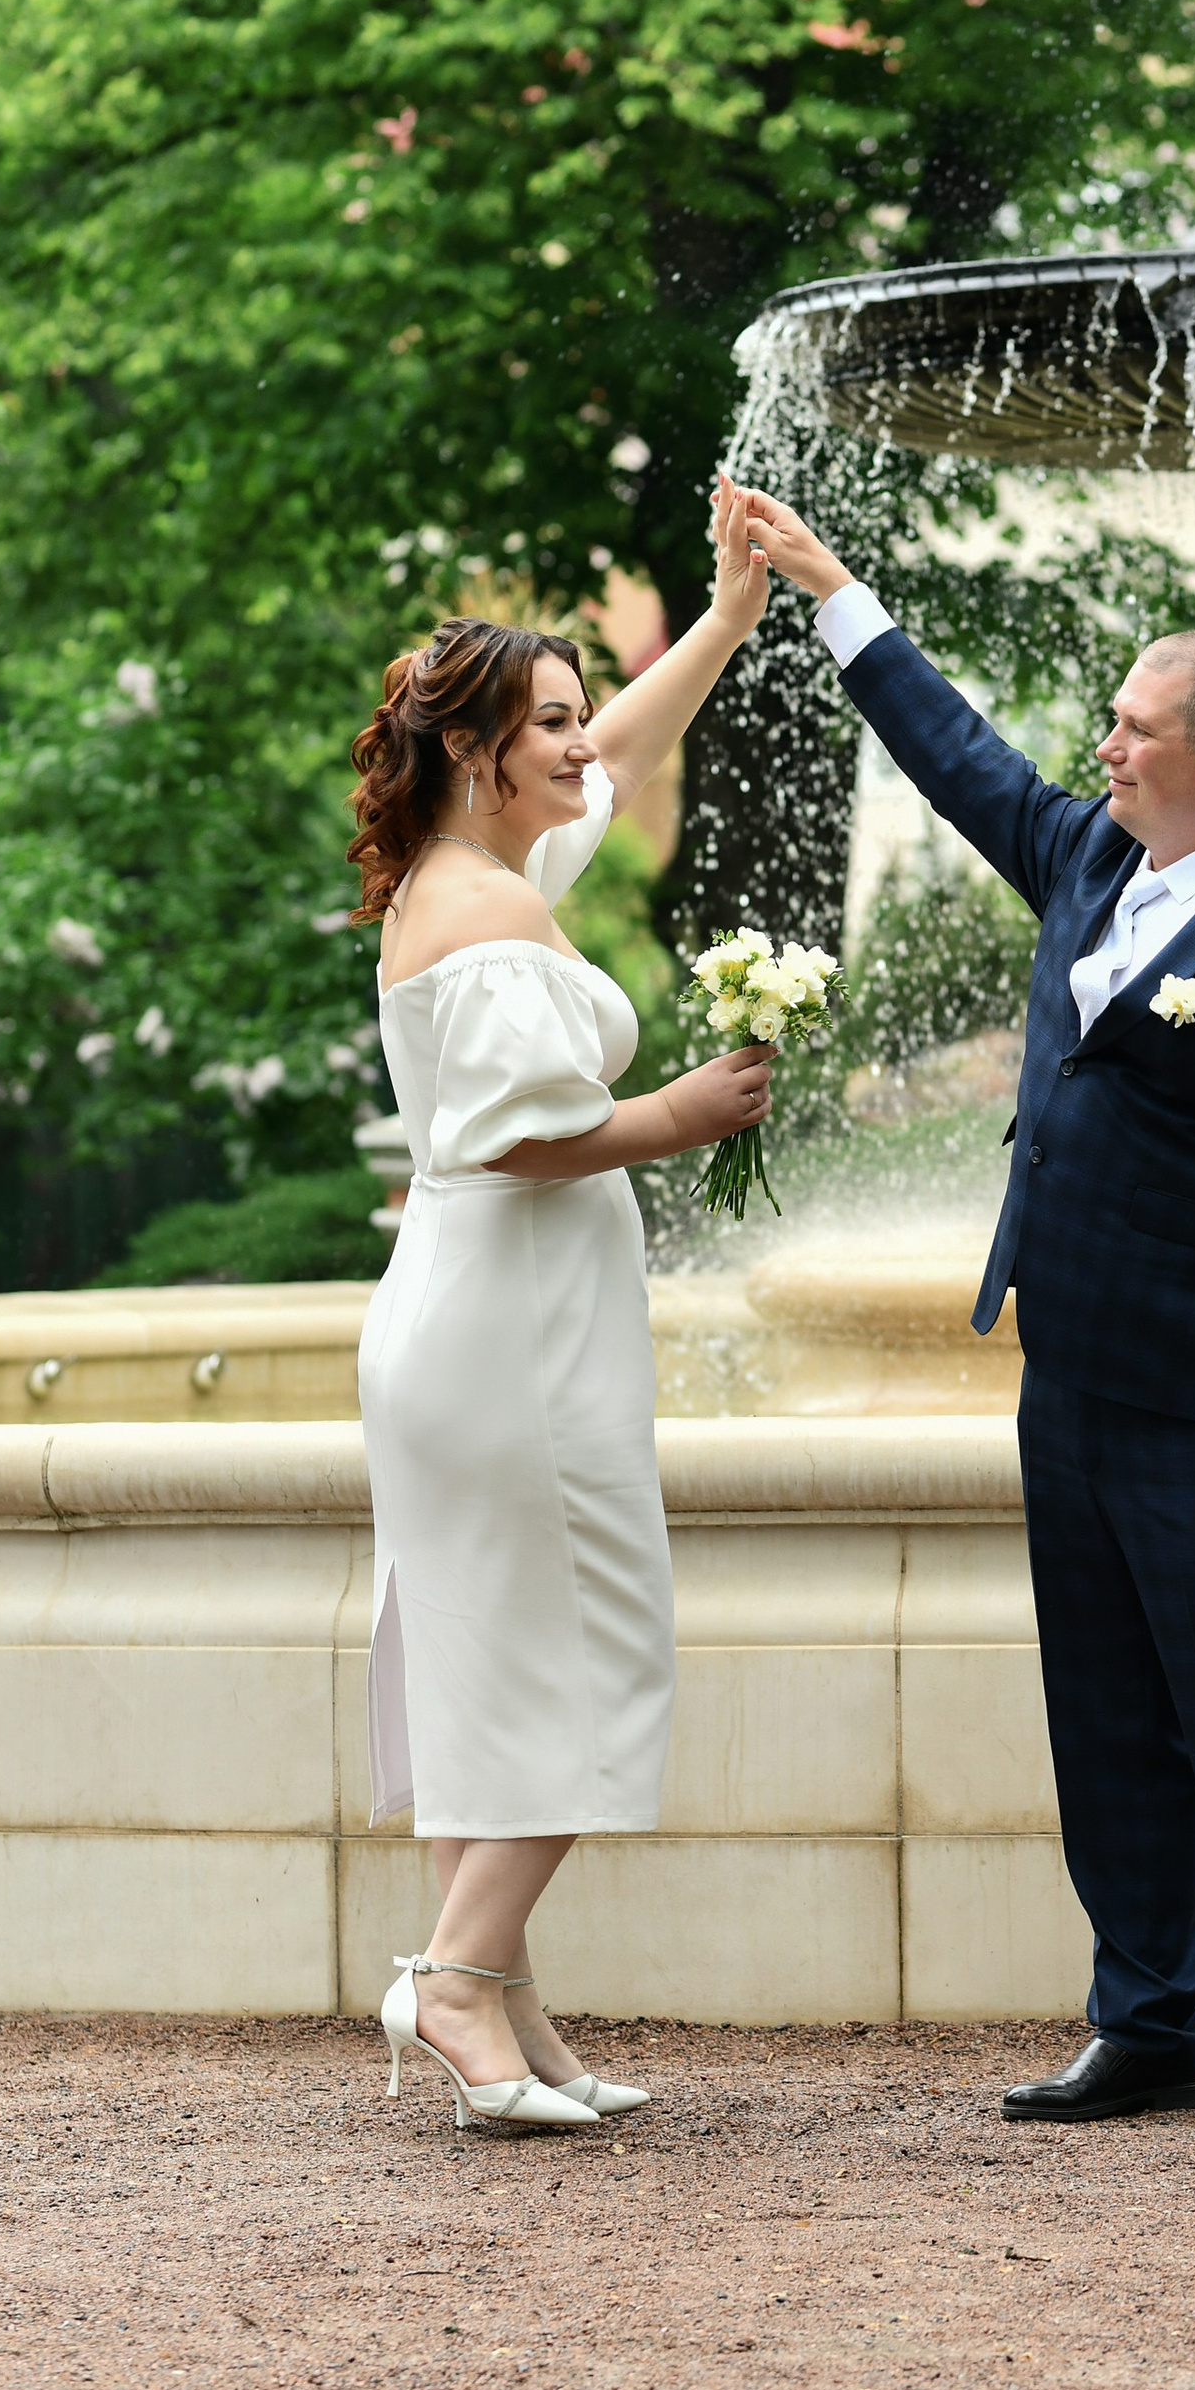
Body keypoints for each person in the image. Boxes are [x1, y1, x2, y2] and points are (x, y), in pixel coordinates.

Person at [742, 490, 1195, 2150]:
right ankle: (1145, 2020)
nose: (1102, 747)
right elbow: (957, 756)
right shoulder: (1094, 857)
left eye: (1133, 725)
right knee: (1102, 1711)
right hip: (1072, 1379)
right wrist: (836, 591)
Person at [347, 479, 776, 2136]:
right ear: (479, 752)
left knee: (489, 1665)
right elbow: (519, 1137)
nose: (586, 747)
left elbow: (636, 757)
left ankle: (505, 2006)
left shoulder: (467, 877)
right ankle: (453, 1980)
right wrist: (683, 1112)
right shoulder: (494, 911)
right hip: (510, 1338)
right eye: (553, 726)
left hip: (469, 1326)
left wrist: (729, 617)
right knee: (593, 1655)